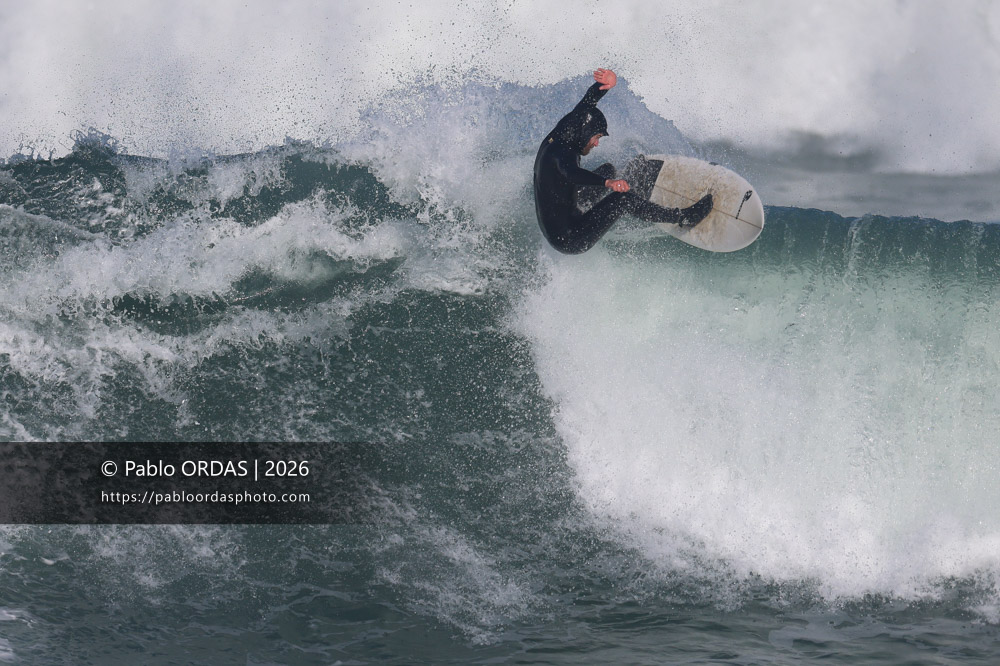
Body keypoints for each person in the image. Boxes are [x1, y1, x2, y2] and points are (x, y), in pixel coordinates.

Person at [533, 68, 713, 254]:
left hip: (564, 212)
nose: (596, 144)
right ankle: (683, 217)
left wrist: (605, 86)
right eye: (597, 137)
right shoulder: (562, 153)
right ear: (585, 133)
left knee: (608, 169)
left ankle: (625, 190)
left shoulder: (568, 130)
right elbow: (571, 172)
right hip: (570, 237)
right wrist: (608, 183)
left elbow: (587, 103)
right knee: (622, 199)